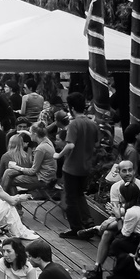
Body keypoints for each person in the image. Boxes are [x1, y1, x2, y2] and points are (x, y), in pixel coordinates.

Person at [84, 181, 140, 279]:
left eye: (121, 194)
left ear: (125, 196)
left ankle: (123, 274)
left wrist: (118, 217)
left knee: (117, 244)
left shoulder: (132, 212)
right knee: (116, 239)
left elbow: (122, 235)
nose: (119, 196)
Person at [56, 92, 100, 239]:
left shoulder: (74, 124)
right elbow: (96, 144)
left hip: (71, 167)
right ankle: (88, 223)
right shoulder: (92, 124)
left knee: (71, 199)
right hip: (86, 166)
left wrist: (59, 155)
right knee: (80, 195)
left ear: (72, 108)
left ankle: (75, 228)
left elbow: (70, 145)